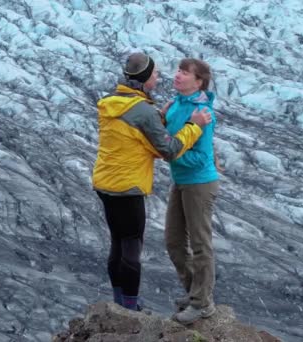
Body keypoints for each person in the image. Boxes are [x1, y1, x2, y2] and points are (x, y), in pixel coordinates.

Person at [92, 52, 212, 311]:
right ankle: (130, 307)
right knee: (132, 246)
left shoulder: (112, 101)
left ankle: (118, 301)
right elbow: (168, 149)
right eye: (156, 74)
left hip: (105, 181)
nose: (160, 77)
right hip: (129, 186)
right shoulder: (143, 111)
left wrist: (156, 115)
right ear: (146, 78)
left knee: (117, 241)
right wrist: (194, 126)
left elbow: (132, 130)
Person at [162, 58, 220, 323]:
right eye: (178, 70)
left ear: (199, 82)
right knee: (174, 241)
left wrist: (171, 153)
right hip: (181, 180)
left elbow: (201, 157)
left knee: (200, 243)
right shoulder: (176, 104)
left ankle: (202, 303)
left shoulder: (203, 113)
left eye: (185, 73)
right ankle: (194, 293)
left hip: (199, 182)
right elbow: (168, 134)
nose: (178, 75)